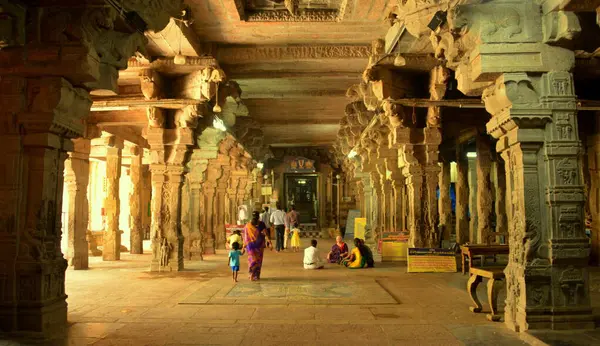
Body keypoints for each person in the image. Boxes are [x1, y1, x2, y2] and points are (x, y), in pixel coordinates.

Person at [244, 211, 272, 281]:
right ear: (259, 216)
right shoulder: (261, 224)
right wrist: (270, 243)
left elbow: (245, 236)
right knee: (258, 261)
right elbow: (266, 234)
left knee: (252, 260)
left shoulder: (247, 225)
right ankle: (255, 275)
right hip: (259, 246)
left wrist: (243, 246)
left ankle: (251, 274)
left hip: (250, 246)